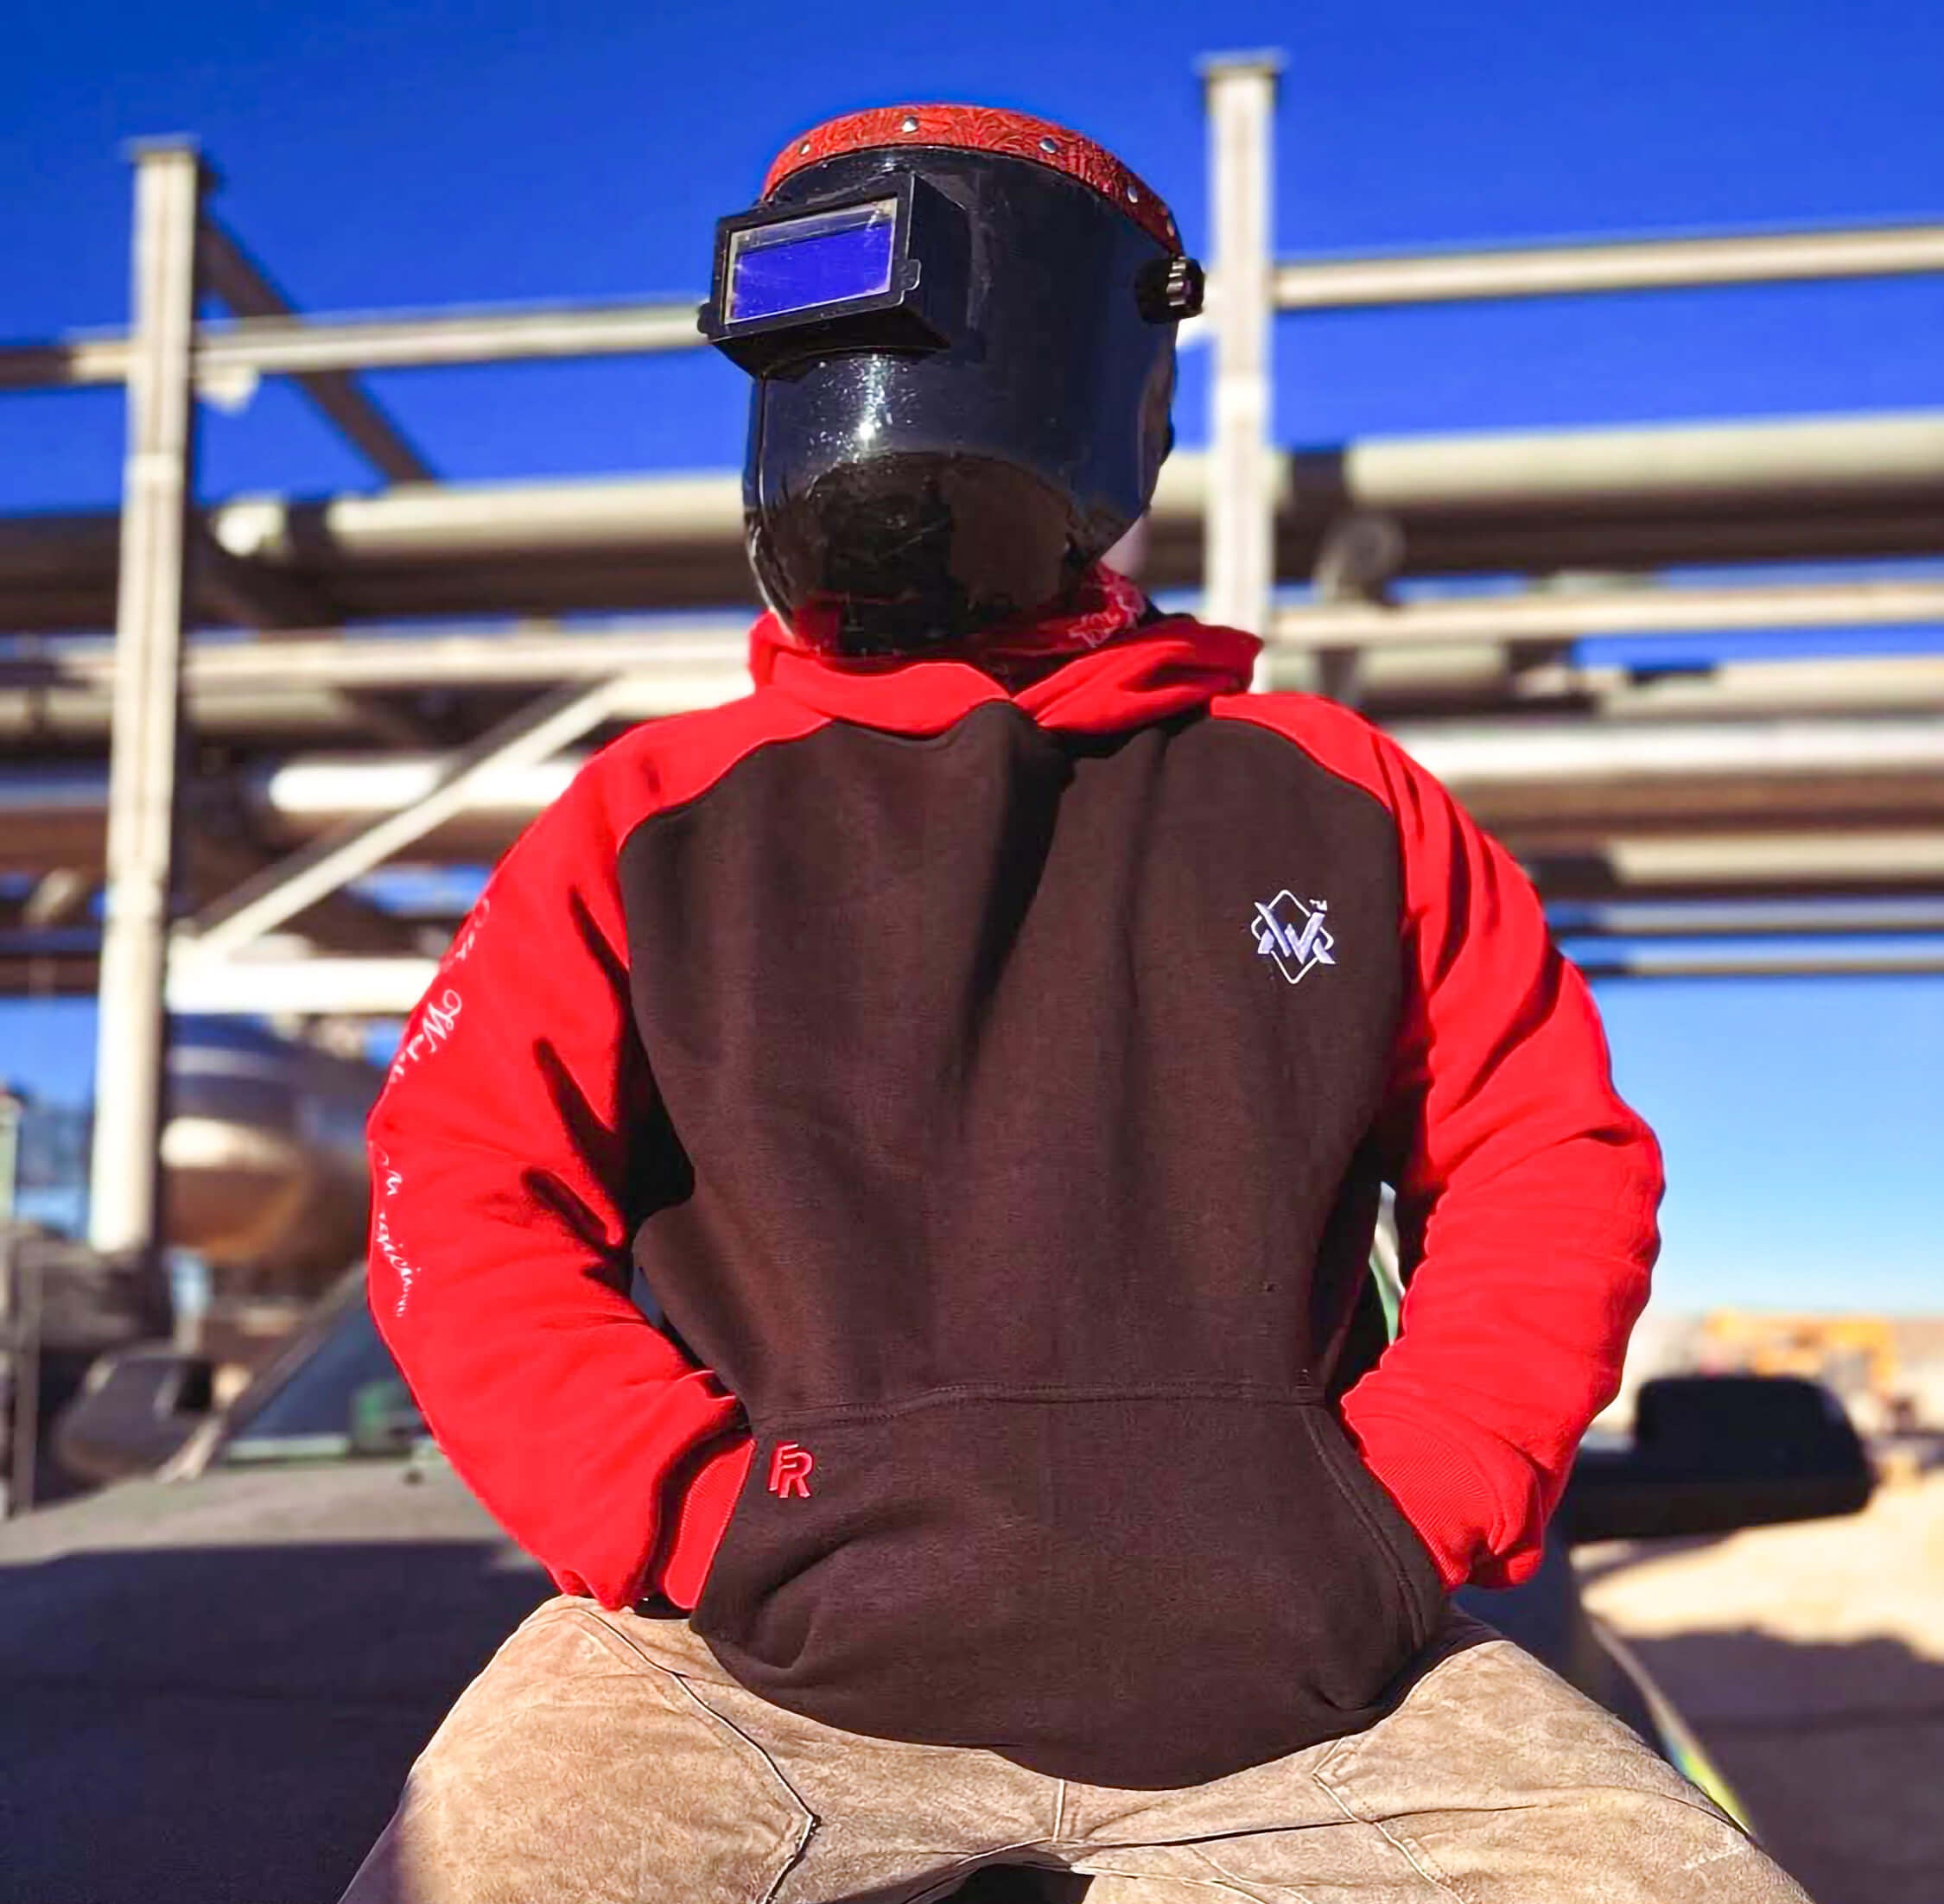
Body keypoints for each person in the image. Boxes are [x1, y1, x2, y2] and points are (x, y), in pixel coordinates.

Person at [340, 106, 1809, 1903]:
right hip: (732, 1680)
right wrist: (691, 1515)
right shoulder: (646, 820)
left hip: (1321, 1687)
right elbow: (462, 1180)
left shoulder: (1336, 794)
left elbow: (1547, 1159)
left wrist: (1399, 1513)